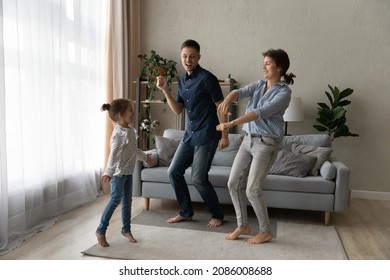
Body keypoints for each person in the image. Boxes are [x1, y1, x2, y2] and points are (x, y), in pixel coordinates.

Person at [216, 49, 296, 244]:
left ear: (280, 67)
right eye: (264, 63)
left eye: (268, 63)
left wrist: (231, 123)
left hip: (266, 144)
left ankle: (265, 231)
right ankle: (242, 225)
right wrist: (228, 99)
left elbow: (260, 112)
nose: (263, 66)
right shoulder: (259, 85)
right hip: (247, 140)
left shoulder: (284, 93)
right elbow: (239, 92)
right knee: (233, 183)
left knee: (252, 189)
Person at [156, 39, 229, 228]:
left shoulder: (207, 78)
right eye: (185, 56)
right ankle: (186, 213)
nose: (188, 60)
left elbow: (221, 108)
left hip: (207, 135)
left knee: (198, 178)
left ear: (199, 57)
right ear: (181, 57)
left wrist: (224, 135)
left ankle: (217, 214)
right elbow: (178, 110)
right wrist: (165, 90)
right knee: (173, 172)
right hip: (189, 135)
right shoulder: (181, 81)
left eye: (192, 56)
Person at [96, 98, 154, 247]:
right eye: (130, 110)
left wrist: (145, 157)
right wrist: (108, 172)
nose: (133, 113)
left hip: (128, 171)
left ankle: (126, 229)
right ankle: (101, 230)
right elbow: (113, 154)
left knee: (127, 202)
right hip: (117, 173)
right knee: (115, 200)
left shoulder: (130, 130)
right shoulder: (119, 134)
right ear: (120, 115)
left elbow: (133, 150)